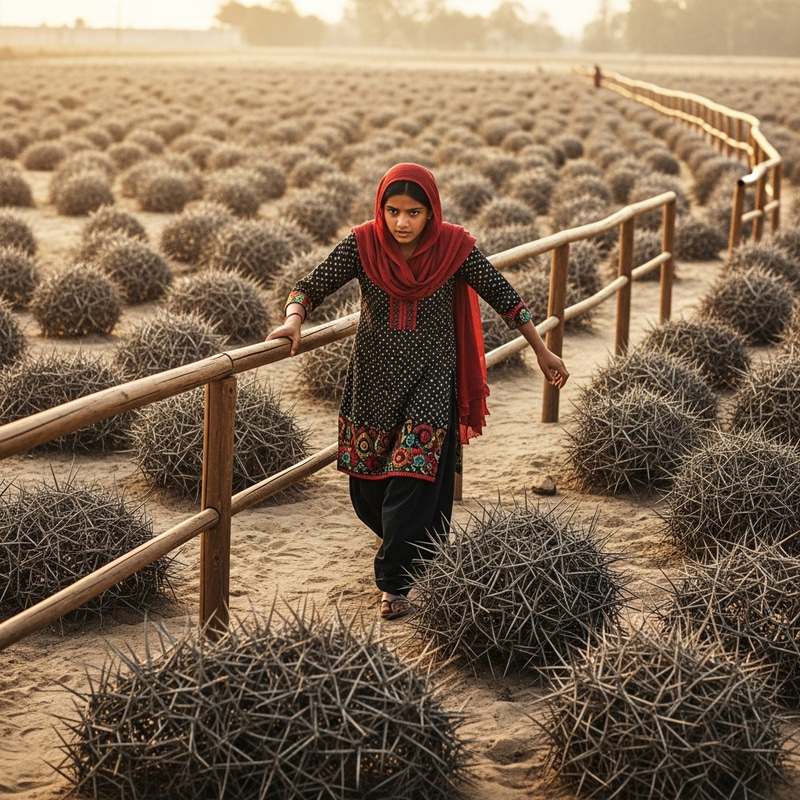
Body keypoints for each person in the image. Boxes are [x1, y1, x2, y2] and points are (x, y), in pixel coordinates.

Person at [266, 163, 568, 620]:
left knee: (413, 479)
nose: (401, 222)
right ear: (381, 209)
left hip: (431, 380)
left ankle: (394, 584)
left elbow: (506, 298)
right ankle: (406, 544)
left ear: (431, 213)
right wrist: (294, 321)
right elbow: (310, 286)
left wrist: (542, 350)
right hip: (373, 382)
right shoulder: (363, 244)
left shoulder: (454, 249)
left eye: (413, 212)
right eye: (393, 211)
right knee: (367, 488)